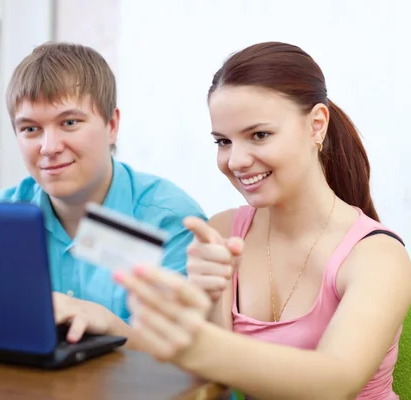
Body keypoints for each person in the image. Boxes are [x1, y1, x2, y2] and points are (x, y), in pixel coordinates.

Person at [115, 41, 411, 399]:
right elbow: (216, 387)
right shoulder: (221, 233)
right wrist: (204, 301)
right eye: (223, 141)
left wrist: (196, 343)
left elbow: (335, 383)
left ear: (317, 124)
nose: (236, 160)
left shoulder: (377, 255)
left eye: (259, 135)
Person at [0, 42, 207, 348]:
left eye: (69, 123)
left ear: (112, 125)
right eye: (30, 129)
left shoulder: (168, 221)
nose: (49, 147)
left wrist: (108, 324)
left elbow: (184, 354)